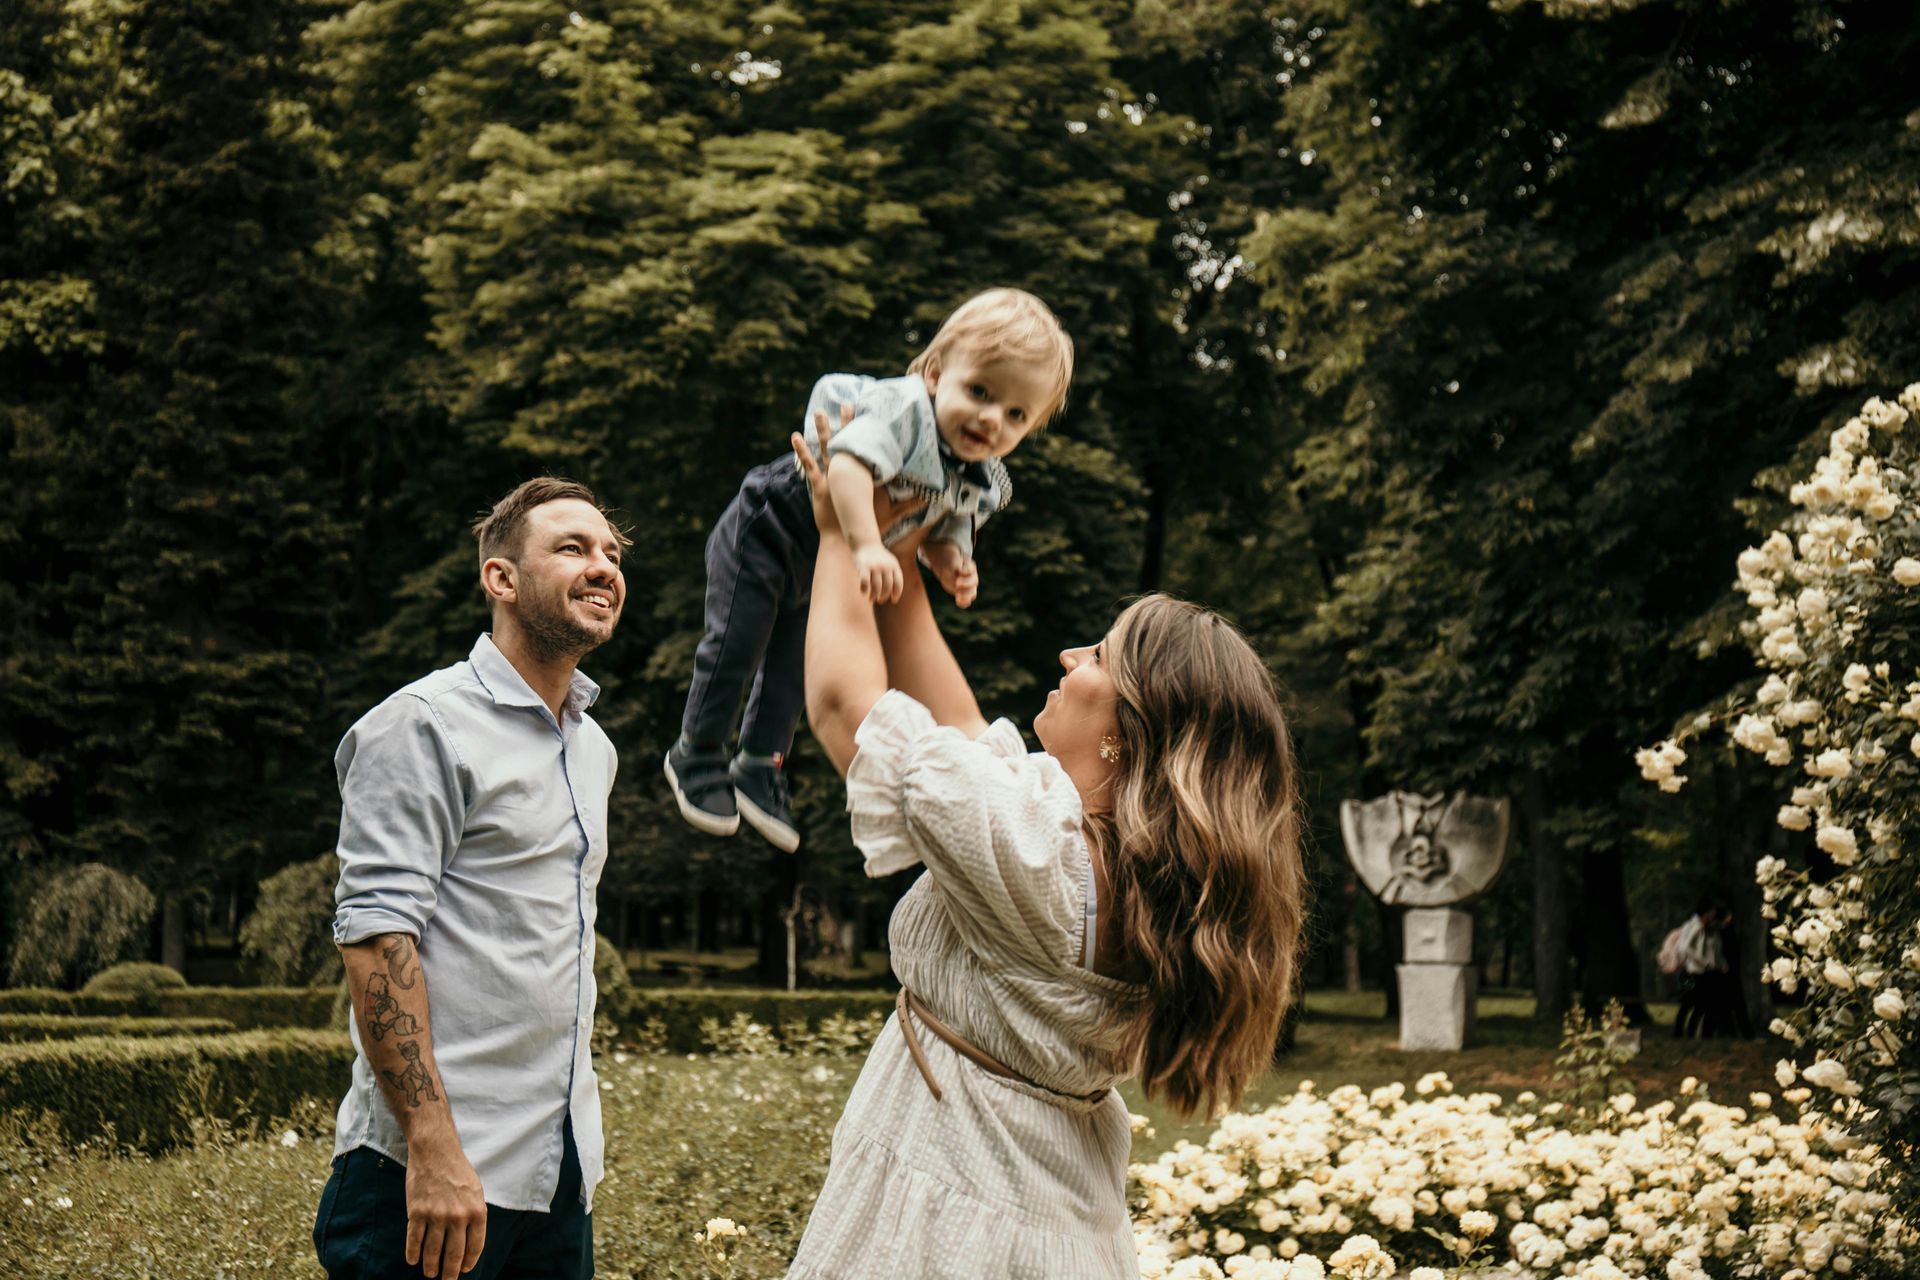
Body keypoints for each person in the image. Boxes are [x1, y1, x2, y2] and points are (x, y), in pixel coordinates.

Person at [782, 411, 1306, 1278]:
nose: (1068, 655)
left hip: (945, 1224)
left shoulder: (1035, 853)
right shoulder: (1117, 865)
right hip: (1055, 1224)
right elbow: (950, 728)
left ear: (1130, 733)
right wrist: (899, 535)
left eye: (1096, 653)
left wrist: (840, 534)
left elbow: (846, 706)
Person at [315, 478, 628, 1280]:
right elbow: (377, 938)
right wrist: (433, 1148)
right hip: (429, 1181)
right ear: (501, 579)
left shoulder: (593, 750)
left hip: (556, 1177)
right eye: (572, 548)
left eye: (611, 553)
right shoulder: (422, 725)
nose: (602, 567)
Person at [664, 287, 1075, 853]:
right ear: (934, 373)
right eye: (979, 391)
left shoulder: (978, 472)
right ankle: (698, 751)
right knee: (739, 641)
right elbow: (849, 467)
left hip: (825, 554)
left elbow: (943, 527)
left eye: (1015, 414)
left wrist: (953, 563)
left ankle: (759, 763)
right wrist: (863, 545)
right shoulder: (903, 411)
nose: (990, 418)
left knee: (790, 663)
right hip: (772, 522)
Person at [1671, 898, 1728, 1039]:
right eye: (1712, 912)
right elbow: (1685, 947)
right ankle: (1682, 1033)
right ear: (1706, 912)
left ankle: (1687, 1033)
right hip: (1696, 971)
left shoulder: (1697, 925)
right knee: (1692, 1004)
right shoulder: (1696, 926)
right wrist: (1702, 962)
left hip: (1698, 970)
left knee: (1695, 1004)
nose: (1713, 915)